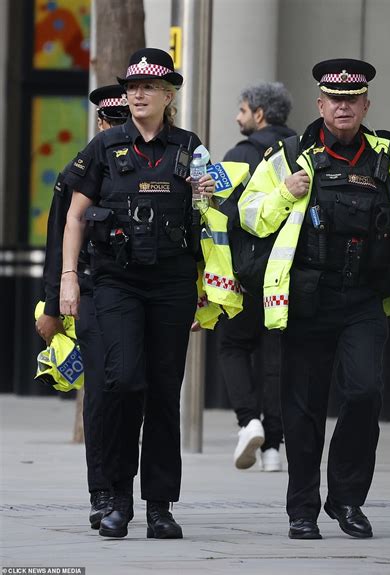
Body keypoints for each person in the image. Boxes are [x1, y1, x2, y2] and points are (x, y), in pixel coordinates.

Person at [238, 58, 390, 539]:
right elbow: (248, 213)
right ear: (320, 103)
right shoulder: (288, 155)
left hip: (364, 299)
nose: (343, 107)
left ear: (366, 104)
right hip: (306, 297)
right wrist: (284, 192)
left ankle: (346, 501)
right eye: (334, 99)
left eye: (353, 99)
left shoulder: (389, 157)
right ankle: (302, 509)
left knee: (365, 394)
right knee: (302, 410)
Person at [59, 48, 216, 540]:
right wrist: (67, 277)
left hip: (172, 283)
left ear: (169, 94)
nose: (138, 94)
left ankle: (160, 507)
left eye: (148, 87)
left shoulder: (189, 146)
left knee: (164, 393)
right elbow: (74, 216)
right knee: (124, 380)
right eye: (132, 87)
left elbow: (214, 219)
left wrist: (207, 194)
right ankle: (117, 499)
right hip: (116, 281)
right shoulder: (106, 146)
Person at [35, 84, 130, 529]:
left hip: (137, 292)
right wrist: (52, 305)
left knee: (132, 390)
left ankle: (130, 491)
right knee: (101, 394)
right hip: (90, 293)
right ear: (100, 123)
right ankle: (102, 491)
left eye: (121, 121)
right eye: (109, 121)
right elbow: (57, 244)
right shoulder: (80, 171)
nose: (114, 129)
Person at [218, 82, 295, 472]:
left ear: (259, 114)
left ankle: (248, 422)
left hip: (246, 274)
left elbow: (220, 214)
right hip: (287, 276)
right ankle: (273, 450)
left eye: (243, 109)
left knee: (233, 347)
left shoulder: (240, 155)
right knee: (275, 358)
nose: (238, 117)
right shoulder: (301, 152)